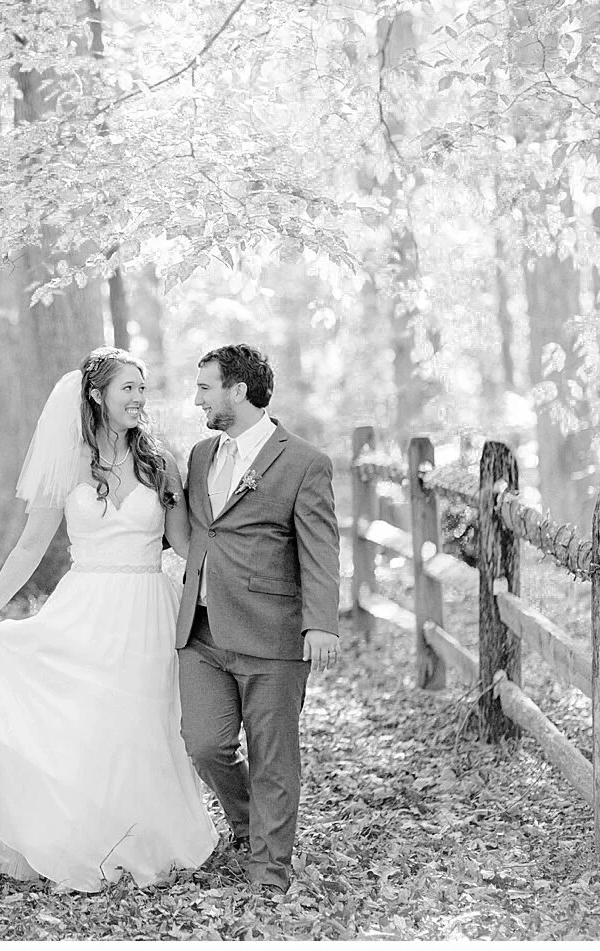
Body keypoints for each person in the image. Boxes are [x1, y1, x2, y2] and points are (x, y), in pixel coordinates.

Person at [0, 347, 218, 891]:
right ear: (97, 395)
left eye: (142, 388)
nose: (138, 399)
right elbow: (30, 547)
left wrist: (226, 589)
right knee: (89, 725)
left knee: (145, 726)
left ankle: (149, 841)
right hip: (86, 606)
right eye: (127, 388)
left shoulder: (161, 464)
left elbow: (186, 544)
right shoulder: (69, 463)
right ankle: (85, 842)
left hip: (149, 608)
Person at [175, 344, 340, 894]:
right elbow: (197, 530)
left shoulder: (304, 462)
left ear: (238, 391)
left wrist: (321, 623)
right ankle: (249, 824)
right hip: (201, 631)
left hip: (272, 633)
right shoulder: (201, 456)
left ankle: (269, 870)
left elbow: (320, 549)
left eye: (205, 387)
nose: (197, 399)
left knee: (273, 757)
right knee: (204, 744)